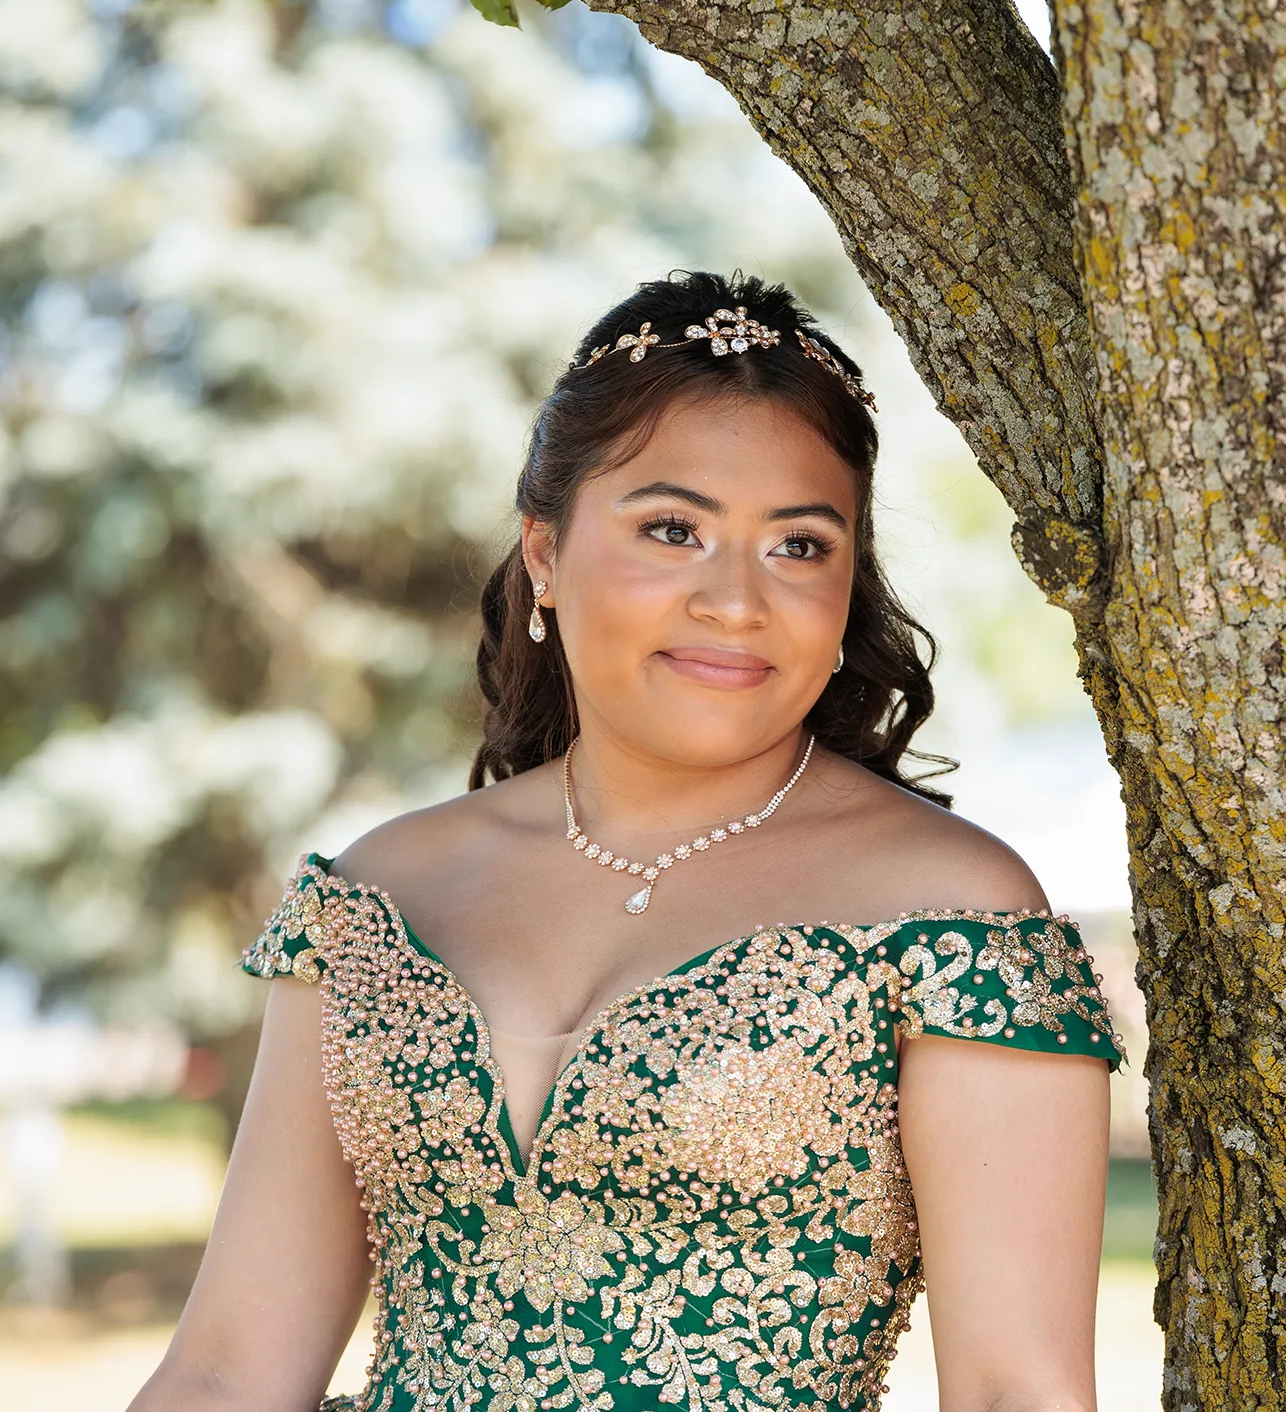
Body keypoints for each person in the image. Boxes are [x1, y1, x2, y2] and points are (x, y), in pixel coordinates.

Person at [129, 270, 1122, 1412]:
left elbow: (1017, 1391)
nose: (736, 600)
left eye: (798, 546)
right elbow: (225, 1369)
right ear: (544, 554)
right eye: (672, 530)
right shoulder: (377, 897)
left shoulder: (951, 914)